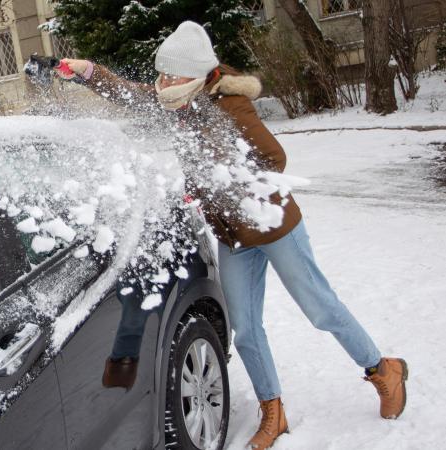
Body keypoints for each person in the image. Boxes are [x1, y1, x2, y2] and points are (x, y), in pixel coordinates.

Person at [52, 21, 408, 449]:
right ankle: (272, 410)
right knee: (245, 328)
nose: (163, 82)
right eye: (162, 74)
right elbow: (133, 96)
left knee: (321, 309)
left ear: (198, 74)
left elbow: (274, 158)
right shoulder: (175, 102)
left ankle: (382, 369)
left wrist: (219, 177)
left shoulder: (231, 106)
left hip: (272, 225)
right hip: (232, 234)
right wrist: (91, 72)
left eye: (173, 75)